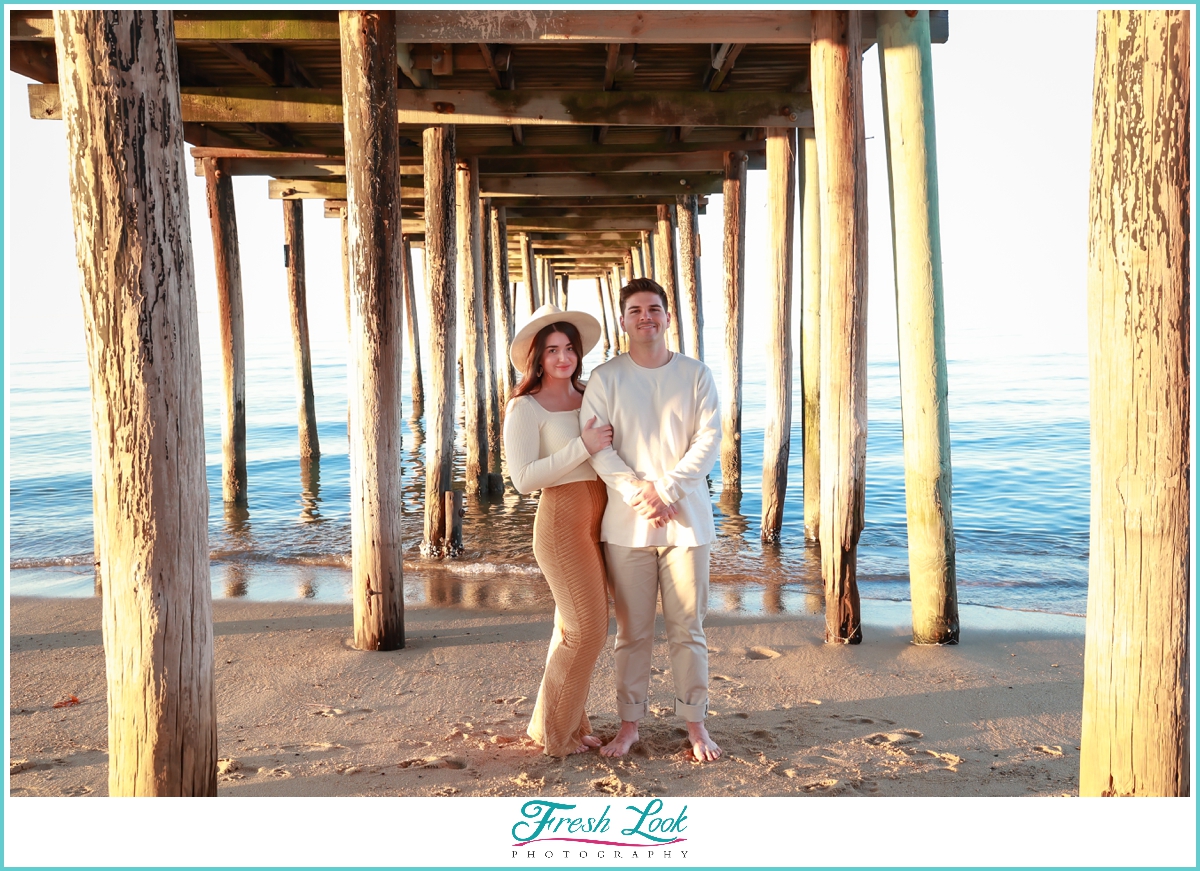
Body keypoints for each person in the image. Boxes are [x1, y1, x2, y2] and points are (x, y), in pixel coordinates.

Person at [580, 278, 723, 762]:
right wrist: (638, 492)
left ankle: (696, 726)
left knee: (689, 629)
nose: (647, 317)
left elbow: (708, 442)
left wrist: (665, 490)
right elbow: (598, 446)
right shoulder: (605, 378)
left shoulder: (696, 374)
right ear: (623, 320)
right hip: (627, 526)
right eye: (636, 310)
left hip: (688, 524)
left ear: (668, 317)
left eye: (655, 309)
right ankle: (629, 726)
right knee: (633, 633)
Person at [503, 303, 613, 756]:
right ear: (537, 357)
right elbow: (523, 479)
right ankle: (554, 735)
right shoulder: (524, 407)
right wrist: (580, 447)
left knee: (569, 627)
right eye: (552, 350)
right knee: (587, 631)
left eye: (569, 348)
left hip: (602, 518)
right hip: (561, 525)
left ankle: (561, 722)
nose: (563, 357)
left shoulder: (591, 394)